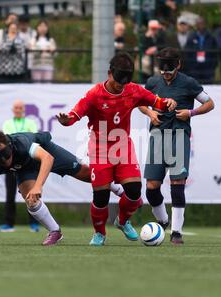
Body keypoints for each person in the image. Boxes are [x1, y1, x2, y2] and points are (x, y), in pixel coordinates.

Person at [56, 52, 177, 246]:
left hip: (122, 146)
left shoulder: (133, 90)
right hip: (100, 148)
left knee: (135, 191)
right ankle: (99, 234)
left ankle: (122, 221)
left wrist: (167, 103)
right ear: (109, 73)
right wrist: (66, 120)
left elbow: (156, 101)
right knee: (101, 197)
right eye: (118, 81)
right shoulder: (95, 94)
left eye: (125, 82)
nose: (121, 86)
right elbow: (75, 115)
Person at [0, 131, 124, 244]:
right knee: (30, 199)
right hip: (25, 169)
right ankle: (55, 232)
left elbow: (47, 159)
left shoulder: (22, 143)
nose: (4, 161)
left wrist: (39, 185)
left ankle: (118, 189)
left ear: (10, 146)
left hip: (48, 152)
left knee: (86, 173)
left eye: (5, 155)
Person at [138, 47, 214, 244]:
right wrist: (150, 113)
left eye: (169, 70)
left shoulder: (188, 82)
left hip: (179, 136)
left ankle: (176, 232)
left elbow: (210, 103)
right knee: (151, 187)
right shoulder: (153, 82)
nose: (166, 74)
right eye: (163, 71)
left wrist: (191, 113)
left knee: (177, 184)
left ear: (178, 65)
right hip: (157, 136)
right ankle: (163, 220)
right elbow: (139, 102)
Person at [0, 100, 39, 232]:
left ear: (24, 109)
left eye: (20, 107)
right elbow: (7, 140)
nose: (18, 109)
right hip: (10, 163)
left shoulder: (31, 123)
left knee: (31, 194)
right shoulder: (7, 123)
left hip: (27, 163)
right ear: (13, 109)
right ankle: (9, 224)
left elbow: (33, 139)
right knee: (10, 194)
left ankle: (34, 223)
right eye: (16, 107)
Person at [184, 17, 217, 82]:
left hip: (208, 67)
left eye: (202, 23)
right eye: (199, 23)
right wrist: (190, 65)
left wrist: (212, 66)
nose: (201, 25)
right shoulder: (191, 36)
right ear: (196, 25)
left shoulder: (211, 37)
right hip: (194, 67)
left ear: (205, 24)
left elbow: (215, 53)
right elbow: (187, 52)